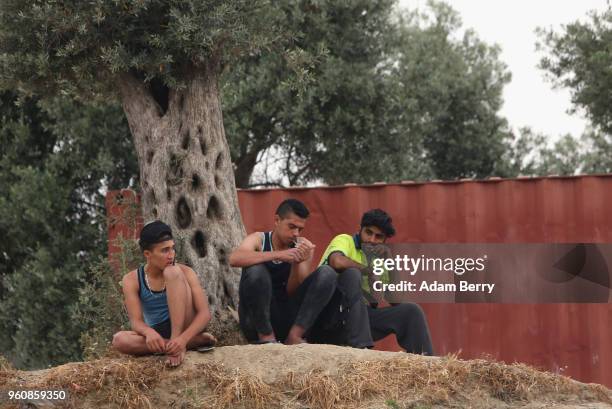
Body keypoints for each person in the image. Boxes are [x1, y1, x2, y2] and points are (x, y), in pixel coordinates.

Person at [319, 209, 434, 355]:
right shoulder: (345, 240)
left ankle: (427, 365)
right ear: (360, 230)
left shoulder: (380, 257)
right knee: (352, 273)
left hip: (360, 319)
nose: (372, 240)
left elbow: (396, 300)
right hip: (330, 318)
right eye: (368, 232)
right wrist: (368, 270)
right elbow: (336, 261)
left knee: (411, 311)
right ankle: (361, 348)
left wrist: (389, 260)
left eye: (378, 237)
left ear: (384, 240)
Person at [229, 199, 337, 344]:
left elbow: (294, 292)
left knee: (327, 273)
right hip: (255, 321)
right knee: (256, 270)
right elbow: (235, 259)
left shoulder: (302, 247)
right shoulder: (258, 240)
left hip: (285, 318)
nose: (295, 233)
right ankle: (266, 337)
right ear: (277, 220)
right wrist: (278, 255)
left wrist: (296, 264)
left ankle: (295, 336)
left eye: (300, 229)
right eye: (291, 227)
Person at [112, 220, 216, 366]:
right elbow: (136, 322)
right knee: (119, 340)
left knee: (172, 272)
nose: (171, 255)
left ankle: (177, 343)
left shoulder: (186, 272)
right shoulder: (131, 280)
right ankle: (190, 343)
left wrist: (181, 339)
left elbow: (204, 314)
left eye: (172, 248)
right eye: (164, 250)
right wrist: (149, 332)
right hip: (159, 333)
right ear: (148, 254)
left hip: (186, 325)